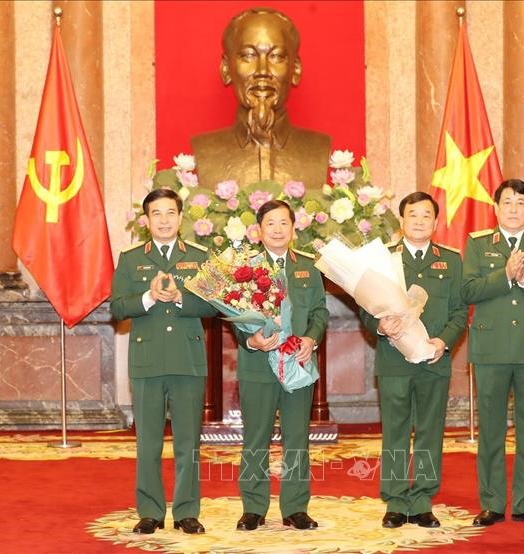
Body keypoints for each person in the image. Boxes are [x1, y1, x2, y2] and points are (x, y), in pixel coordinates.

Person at [111, 189, 218, 535]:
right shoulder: (130, 259)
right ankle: (150, 512)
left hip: (188, 360)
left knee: (189, 442)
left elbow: (216, 305)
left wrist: (181, 298)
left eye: (170, 213)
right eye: (156, 214)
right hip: (147, 361)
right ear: (146, 221)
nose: (164, 220)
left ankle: (187, 511)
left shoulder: (200, 256)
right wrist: (148, 296)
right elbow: (117, 307)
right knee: (149, 442)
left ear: (181, 217)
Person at [359, 192, 467, 528]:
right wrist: (378, 324)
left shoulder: (451, 261)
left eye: (426, 215)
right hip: (393, 360)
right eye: (412, 215)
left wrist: (443, 341)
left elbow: (460, 311)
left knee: (430, 431)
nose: (419, 221)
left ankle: (422, 499)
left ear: (435, 223)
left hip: (433, 360)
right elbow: (365, 310)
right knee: (395, 431)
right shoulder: (385, 260)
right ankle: (394, 500)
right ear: (401, 221)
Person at [461, 179, 524, 527]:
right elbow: (468, 290)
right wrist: (504, 275)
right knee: (491, 429)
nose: (514, 209)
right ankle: (491, 502)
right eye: (508, 202)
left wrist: (523, 280)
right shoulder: (478, 245)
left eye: (521, 203)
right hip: (491, 349)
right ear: (496, 208)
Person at [233, 199, 329, 531]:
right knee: (255, 437)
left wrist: (311, 339)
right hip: (259, 363)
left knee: (297, 437)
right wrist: (252, 339)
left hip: (298, 362)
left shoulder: (308, 267)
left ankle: (295, 507)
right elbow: (233, 316)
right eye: (270, 223)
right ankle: (253, 508)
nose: (277, 229)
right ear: (258, 231)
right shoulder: (245, 268)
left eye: (284, 223)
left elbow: (320, 312)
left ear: (293, 229)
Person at [191, 7, 331, 189]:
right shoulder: (205, 151)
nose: (262, 71)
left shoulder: (319, 149)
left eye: (276, 56)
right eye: (249, 55)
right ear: (226, 69)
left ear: (295, 69)